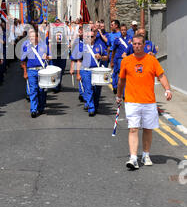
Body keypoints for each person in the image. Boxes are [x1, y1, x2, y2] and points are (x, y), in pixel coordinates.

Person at [116, 33, 172, 171]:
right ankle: (133, 158)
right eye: (134, 44)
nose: (136, 46)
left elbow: (161, 75)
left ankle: (146, 155)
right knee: (133, 128)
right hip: (132, 101)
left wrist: (168, 89)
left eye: (139, 44)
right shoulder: (126, 61)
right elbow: (121, 80)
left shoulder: (152, 60)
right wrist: (118, 95)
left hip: (149, 101)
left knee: (147, 129)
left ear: (144, 45)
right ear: (132, 45)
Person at [70, 27, 108, 116]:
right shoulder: (82, 47)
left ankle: (95, 105)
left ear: (94, 37)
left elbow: (107, 57)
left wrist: (101, 57)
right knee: (88, 90)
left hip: (96, 71)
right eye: (88, 37)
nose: (90, 38)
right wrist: (78, 73)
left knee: (97, 90)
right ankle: (91, 107)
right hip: (85, 71)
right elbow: (79, 61)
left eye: (92, 37)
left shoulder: (99, 46)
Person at [21, 28, 49, 118]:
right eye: (30, 37)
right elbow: (23, 61)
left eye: (33, 36)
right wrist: (25, 72)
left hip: (42, 70)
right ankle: (33, 109)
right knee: (33, 90)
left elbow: (51, 56)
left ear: (37, 37)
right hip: (31, 70)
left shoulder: (43, 46)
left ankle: (41, 107)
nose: (32, 38)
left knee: (41, 90)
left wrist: (47, 57)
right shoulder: (27, 47)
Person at [110, 24, 131, 94]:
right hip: (119, 59)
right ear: (120, 31)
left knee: (127, 76)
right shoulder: (117, 40)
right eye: (122, 30)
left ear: (126, 30)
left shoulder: (130, 39)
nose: (123, 31)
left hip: (129, 59)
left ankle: (125, 92)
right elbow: (113, 51)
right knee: (120, 74)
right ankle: (116, 86)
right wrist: (112, 60)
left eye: (124, 30)